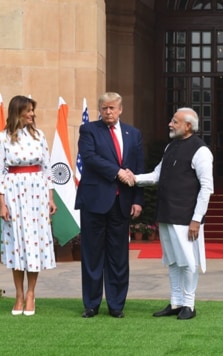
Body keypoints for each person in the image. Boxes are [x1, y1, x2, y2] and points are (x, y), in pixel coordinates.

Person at [130, 107, 213, 320]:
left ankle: (189, 304)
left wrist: (196, 219)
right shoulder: (171, 146)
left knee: (188, 261)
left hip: (186, 217)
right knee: (173, 261)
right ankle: (176, 302)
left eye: (175, 121)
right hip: (166, 214)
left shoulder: (201, 151)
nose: (170, 124)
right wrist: (134, 178)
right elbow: (157, 175)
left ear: (188, 126)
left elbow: (206, 188)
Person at [75, 92, 144, 318]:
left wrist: (137, 199)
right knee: (93, 255)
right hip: (95, 202)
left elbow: (138, 169)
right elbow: (90, 158)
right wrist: (117, 173)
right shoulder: (89, 130)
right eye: (104, 108)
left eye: (112, 108)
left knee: (118, 257)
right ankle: (92, 304)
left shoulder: (133, 134)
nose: (108, 112)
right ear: (100, 109)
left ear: (120, 109)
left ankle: (116, 305)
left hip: (122, 203)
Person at [0, 95, 57, 316]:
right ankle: (18, 294)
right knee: (17, 244)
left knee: (33, 243)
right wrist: (1, 204)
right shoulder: (2, 138)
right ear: (17, 112)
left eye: (32, 111)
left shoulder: (39, 136)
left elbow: (47, 168)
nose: (32, 114)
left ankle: (31, 294)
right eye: (28, 111)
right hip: (13, 193)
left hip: (37, 193)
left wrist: (50, 198)